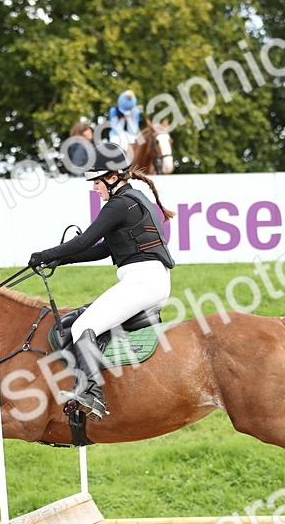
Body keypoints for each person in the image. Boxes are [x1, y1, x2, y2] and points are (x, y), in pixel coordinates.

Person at [28, 142, 175, 420]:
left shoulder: (120, 203)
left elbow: (85, 240)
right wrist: (59, 260)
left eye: (95, 181)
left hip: (143, 282)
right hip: (150, 281)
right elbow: (104, 248)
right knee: (78, 320)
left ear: (111, 177)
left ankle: (93, 393)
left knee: (83, 325)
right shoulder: (133, 198)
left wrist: (44, 254)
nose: (94, 188)